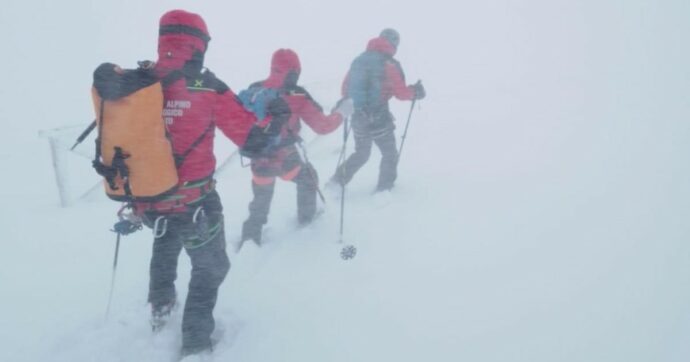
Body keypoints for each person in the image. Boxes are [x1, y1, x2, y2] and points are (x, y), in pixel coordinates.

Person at [132, 10, 257, 358]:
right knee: (212, 267)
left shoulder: (140, 81)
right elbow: (252, 140)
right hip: (194, 202)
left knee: (166, 243)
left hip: (150, 199)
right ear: (199, 45)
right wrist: (274, 117)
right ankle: (196, 342)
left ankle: (160, 308)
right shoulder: (208, 87)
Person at [240, 49, 353, 244]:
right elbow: (322, 126)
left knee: (261, 199)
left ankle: (250, 237)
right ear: (294, 71)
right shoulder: (297, 94)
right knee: (309, 179)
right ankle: (306, 221)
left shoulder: (255, 88)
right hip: (285, 157)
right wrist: (341, 113)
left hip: (259, 157)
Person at [331, 28, 425, 192]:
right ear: (394, 44)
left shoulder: (359, 60)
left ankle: (336, 182)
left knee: (362, 153)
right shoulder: (389, 63)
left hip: (358, 115)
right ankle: (384, 189)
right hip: (378, 116)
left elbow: (345, 90)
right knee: (389, 153)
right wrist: (415, 92)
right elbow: (401, 93)